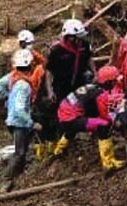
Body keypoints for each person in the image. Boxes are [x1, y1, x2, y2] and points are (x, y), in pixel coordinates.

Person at [44, 19, 95, 155]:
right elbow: (48, 72)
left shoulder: (84, 46)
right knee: (61, 115)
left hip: (78, 86)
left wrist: (96, 74)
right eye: (76, 38)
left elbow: (89, 59)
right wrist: (50, 91)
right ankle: (59, 146)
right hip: (61, 87)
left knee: (79, 110)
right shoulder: (57, 51)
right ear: (68, 37)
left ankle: (75, 137)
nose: (79, 40)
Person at [56, 76, 125, 173]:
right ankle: (108, 163)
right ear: (108, 82)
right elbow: (104, 114)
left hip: (63, 115)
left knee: (71, 130)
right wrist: (114, 123)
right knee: (103, 125)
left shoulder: (90, 87)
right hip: (72, 118)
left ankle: (58, 150)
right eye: (114, 81)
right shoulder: (100, 94)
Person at [1, 49, 38, 192]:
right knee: (20, 152)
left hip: (15, 121)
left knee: (23, 150)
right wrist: (31, 123)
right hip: (19, 123)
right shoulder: (23, 85)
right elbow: (19, 109)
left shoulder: (15, 80)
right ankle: (7, 179)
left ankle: (19, 175)